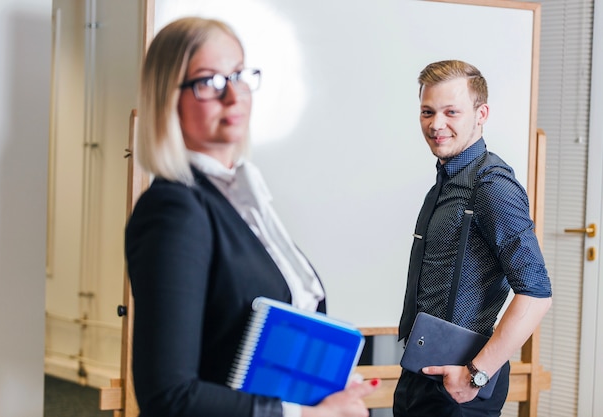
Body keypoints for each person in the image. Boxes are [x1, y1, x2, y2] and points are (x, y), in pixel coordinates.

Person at [125, 16, 379, 417]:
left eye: (239, 75)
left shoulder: (243, 198)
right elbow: (169, 397)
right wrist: (309, 415)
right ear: (167, 97)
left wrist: (324, 389)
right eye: (209, 81)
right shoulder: (174, 211)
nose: (234, 95)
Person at [394, 60, 553, 416]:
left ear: (481, 114)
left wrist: (475, 375)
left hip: (460, 386)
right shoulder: (446, 182)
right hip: (421, 375)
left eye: (452, 112)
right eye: (427, 112)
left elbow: (536, 294)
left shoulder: (492, 185)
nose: (437, 124)